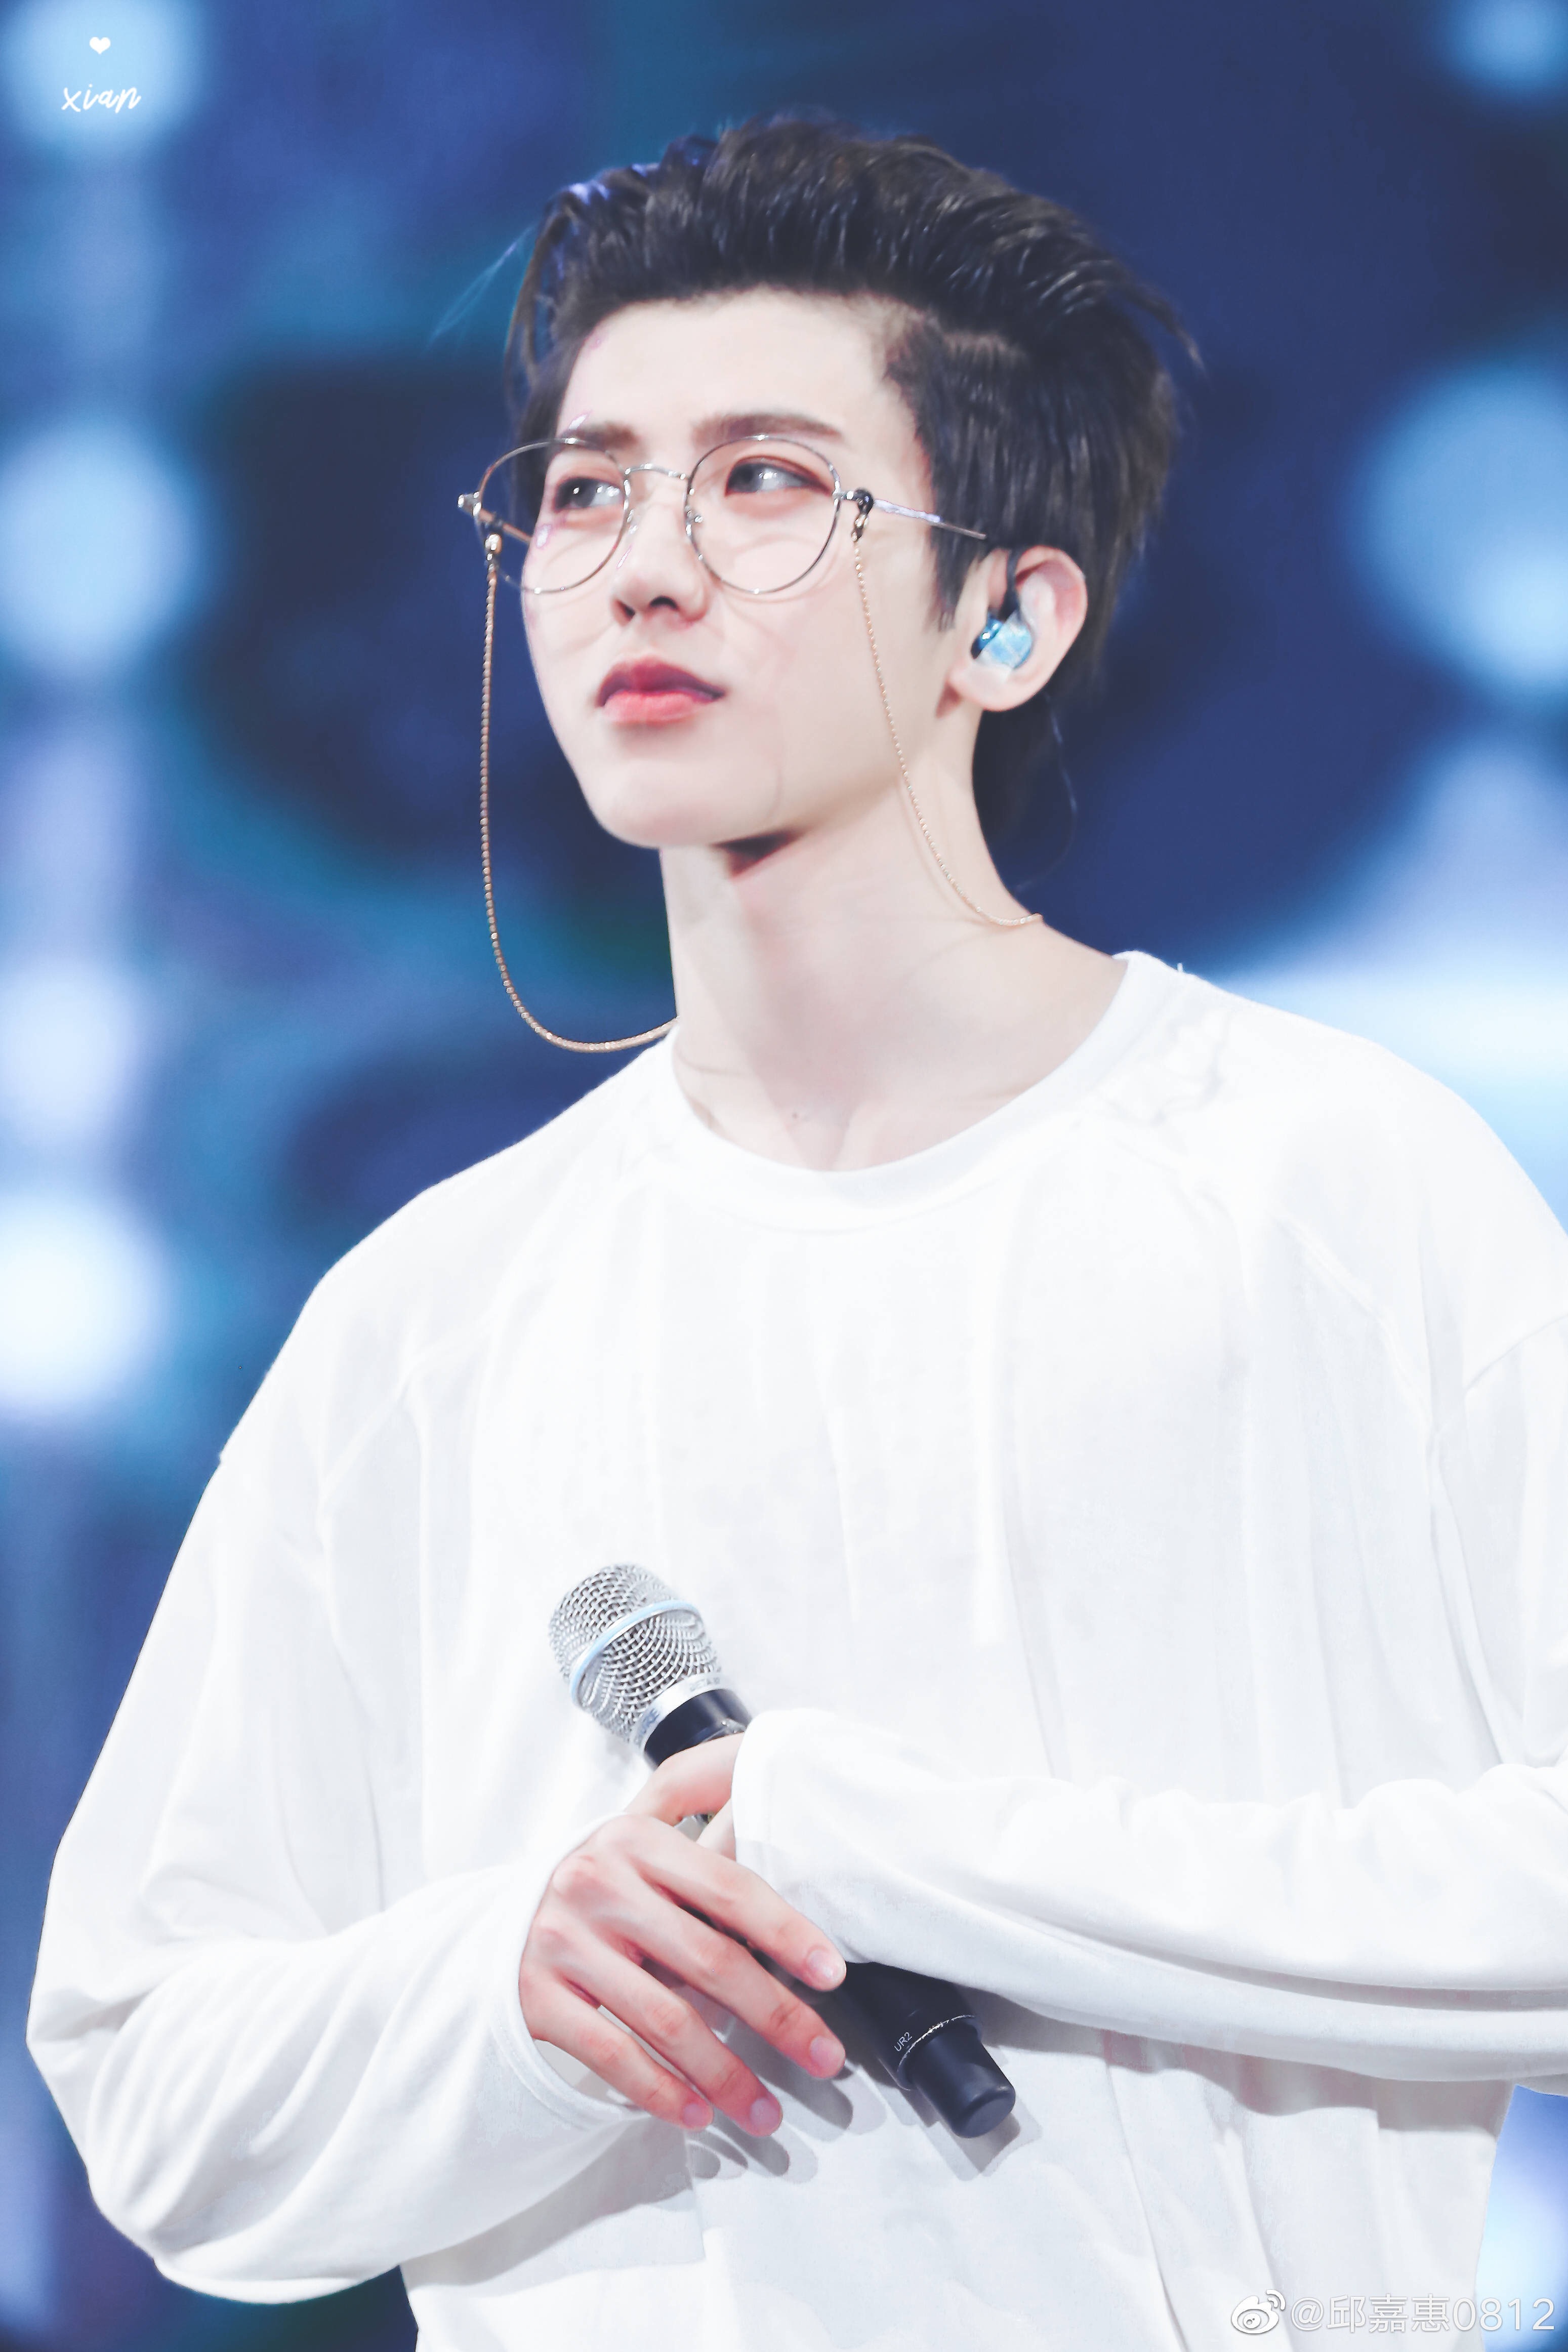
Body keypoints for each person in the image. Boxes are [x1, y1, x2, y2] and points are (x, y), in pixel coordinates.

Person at [27, 115, 1568, 2351]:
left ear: (1006, 615)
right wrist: (506, 1991)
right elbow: (157, 2095)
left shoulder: (1328, 1183)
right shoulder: (431, 1314)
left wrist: (878, 1844)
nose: (643, 568)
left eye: (762, 481)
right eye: (583, 491)